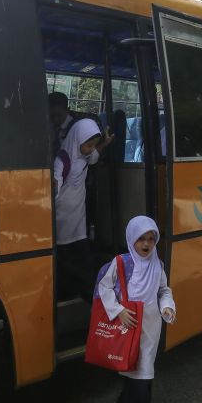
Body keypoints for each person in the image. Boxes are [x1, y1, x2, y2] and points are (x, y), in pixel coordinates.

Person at [96, 215, 176, 403]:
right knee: (140, 375)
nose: (146, 244)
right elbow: (103, 286)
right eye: (141, 239)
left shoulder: (157, 265)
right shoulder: (122, 263)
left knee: (140, 372)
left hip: (150, 329)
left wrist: (167, 306)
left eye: (151, 239)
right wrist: (118, 310)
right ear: (132, 238)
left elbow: (163, 290)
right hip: (128, 327)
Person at [54, 118, 113, 300]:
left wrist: (104, 143)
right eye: (88, 145)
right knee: (66, 257)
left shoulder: (85, 155)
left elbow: (94, 156)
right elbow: (54, 187)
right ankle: (75, 293)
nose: (90, 150)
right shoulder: (62, 160)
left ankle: (85, 292)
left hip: (78, 219)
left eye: (92, 145)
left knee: (80, 254)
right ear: (77, 141)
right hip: (61, 219)